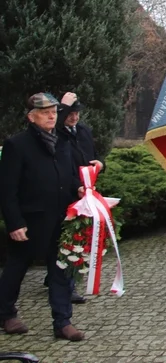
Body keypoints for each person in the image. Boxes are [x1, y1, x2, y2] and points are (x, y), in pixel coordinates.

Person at [0, 93, 85, 341]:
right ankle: (6, 314)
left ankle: (62, 321)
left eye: (53, 111)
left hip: (62, 219)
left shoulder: (62, 142)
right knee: (17, 267)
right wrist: (15, 222)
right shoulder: (17, 145)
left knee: (60, 270)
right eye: (45, 112)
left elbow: (68, 176)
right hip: (30, 221)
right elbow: (7, 190)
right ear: (31, 117)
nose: (51, 115)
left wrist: (78, 188)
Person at [54, 92, 104, 304]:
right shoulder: (57, 133)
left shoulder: (84, 131)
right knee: (68, 239)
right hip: (67, 191)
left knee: (80, 237)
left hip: (87, 189)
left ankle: (66, 278)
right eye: (69, 114)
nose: (74, 118)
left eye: (76, 113)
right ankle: (66, 282)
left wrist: (100, 165)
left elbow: (93, 155)